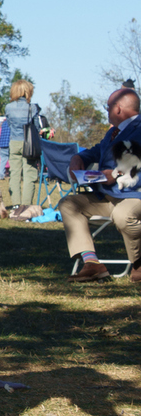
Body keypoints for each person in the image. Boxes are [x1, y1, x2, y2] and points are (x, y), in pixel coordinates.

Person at [60, 88, 141, 283]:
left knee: (123, 215)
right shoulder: (113, 132)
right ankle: (92, 264)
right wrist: (78, 157)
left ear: (118, 109)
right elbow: (98, 150)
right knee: (68, 204)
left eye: (107, 107)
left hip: (134, 196)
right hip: (107, 196)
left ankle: (139, 264)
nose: (106, 111)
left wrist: (115, 174)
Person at [4, 79, 41, 207]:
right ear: (28, 91)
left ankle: (15, 203)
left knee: (14, 174)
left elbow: (9, 124)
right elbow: (36, 127)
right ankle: (26, 204)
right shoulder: (32, 107)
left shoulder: (8, 107)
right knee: (29, 174)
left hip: (14, 142)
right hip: (28, 144)